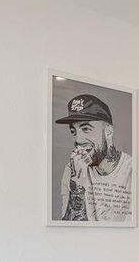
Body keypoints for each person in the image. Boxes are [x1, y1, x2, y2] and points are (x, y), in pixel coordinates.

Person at [54, 94, 133, 222]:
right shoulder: (72, 171)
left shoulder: (132, 171)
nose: (78, 140)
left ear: (108, 132)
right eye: (73, 131)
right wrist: (77, 186)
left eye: (86, 129)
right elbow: (70, 232)